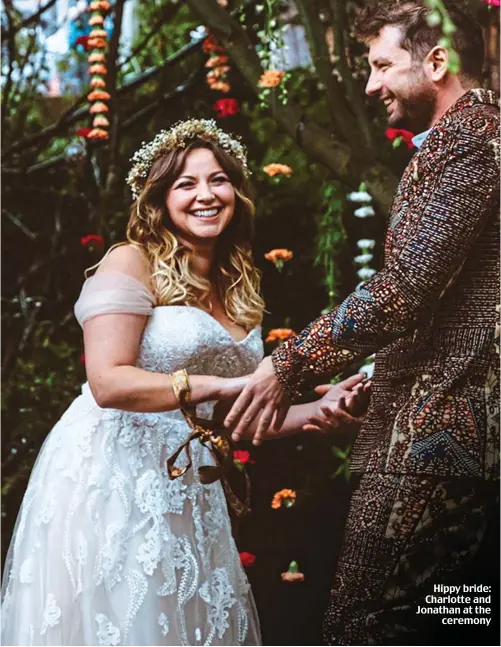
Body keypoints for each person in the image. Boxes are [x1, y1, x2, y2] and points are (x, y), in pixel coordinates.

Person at [1, 119, 368, 646]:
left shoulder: (238, 285)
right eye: (186, 184)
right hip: (112, 474)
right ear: (160, 199)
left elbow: (237, 416)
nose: (206, 195)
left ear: (236, 192)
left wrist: (320, 410)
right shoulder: (132, 261)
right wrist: (220, 387)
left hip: (191, 483)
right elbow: (109, 381)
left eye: (217, 180)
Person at [224, 2, 500, 644]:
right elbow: (466, 301)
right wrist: (377, 376)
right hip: (457, 433)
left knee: (369, 624)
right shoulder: (478, 135)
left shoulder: (465, 140)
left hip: (436, 444)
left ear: (435, 62)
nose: (371, 85)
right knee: (450, 624)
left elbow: (404, 290)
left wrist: (288, 365)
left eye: (381, 65)